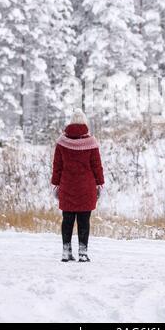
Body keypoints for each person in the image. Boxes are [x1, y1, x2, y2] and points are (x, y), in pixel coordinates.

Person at [51, 108, 104, 262]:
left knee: (67, 220)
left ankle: (66, 252)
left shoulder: (62, 142)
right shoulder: (91, 142)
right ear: (84, 122)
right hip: (86, 188)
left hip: (67, 186)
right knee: (84, 221)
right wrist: (100, 183)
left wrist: (55, 184)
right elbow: (97, 166)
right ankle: (83, 253)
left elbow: (57, 166)